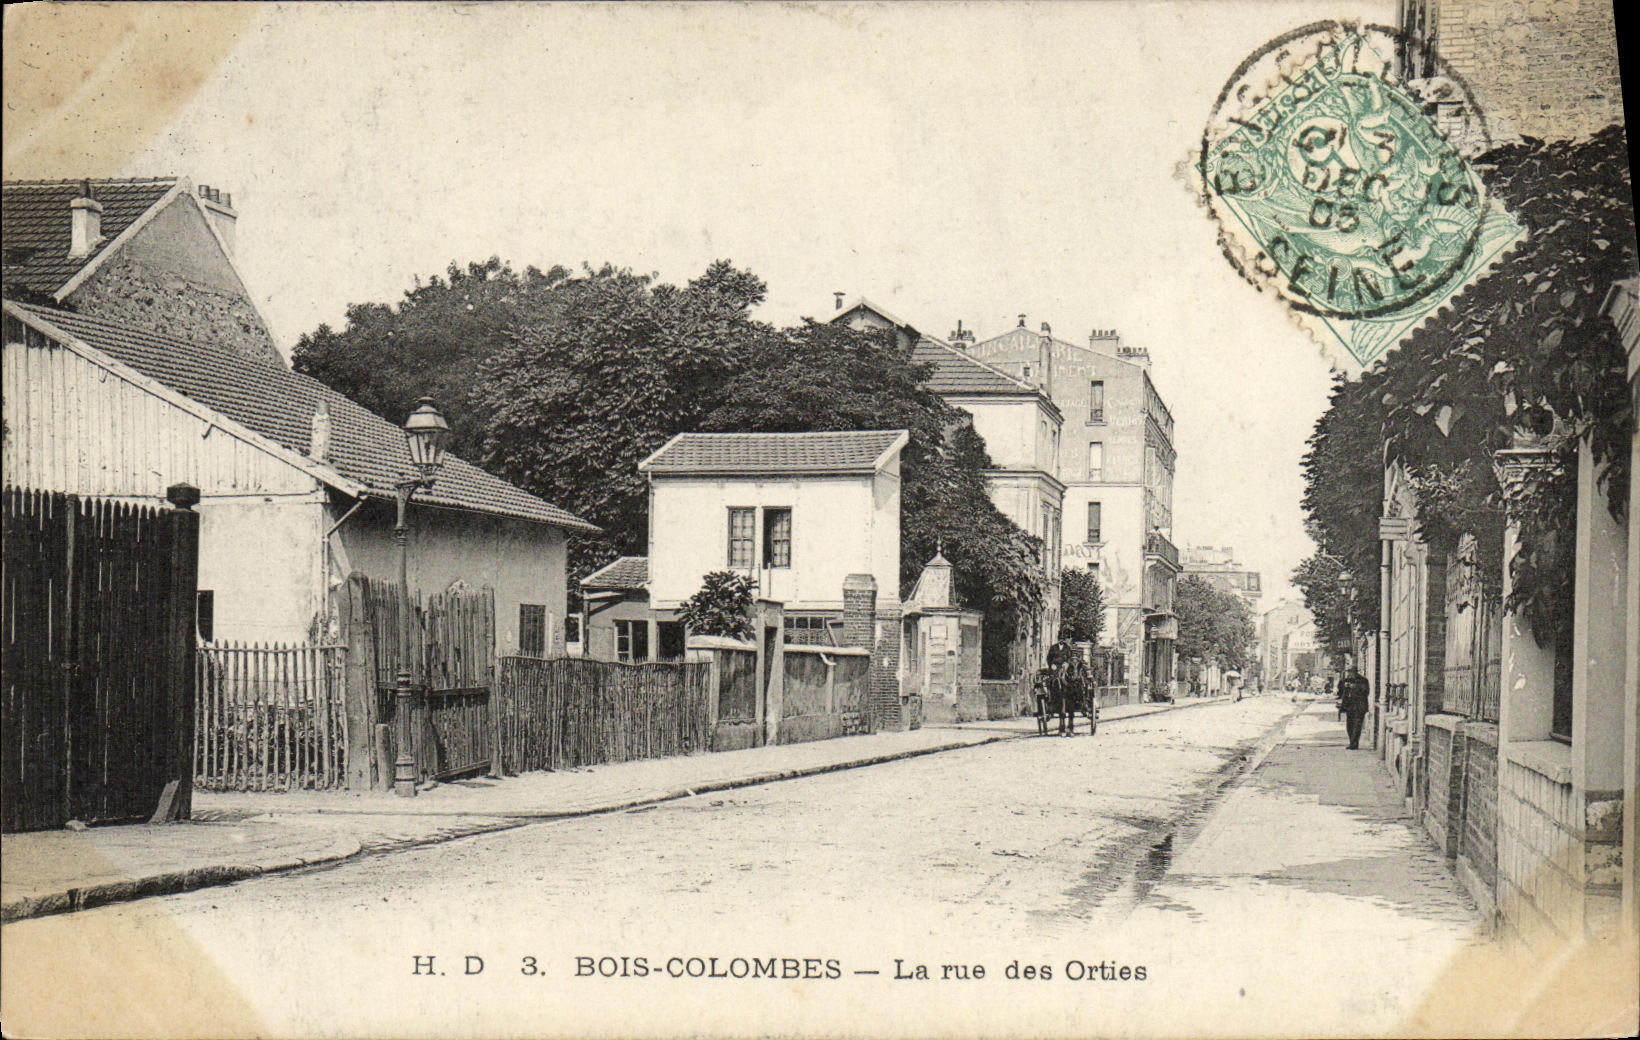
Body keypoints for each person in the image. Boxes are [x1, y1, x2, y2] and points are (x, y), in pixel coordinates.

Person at [1337, 668, 1370, 750]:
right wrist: (1343, 683)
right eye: (1349, 672)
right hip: (1350, 707)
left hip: (1359, 707)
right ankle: (1351, 742)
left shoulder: (1363, 680)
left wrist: (1354, 687)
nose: (1350, 674)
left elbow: (1365, 691)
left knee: (1357, 726)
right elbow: (1340, 690)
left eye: (1351, 672)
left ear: (1356, 672)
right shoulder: (1347, 680)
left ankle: (1354, 744)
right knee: (1349, 725)